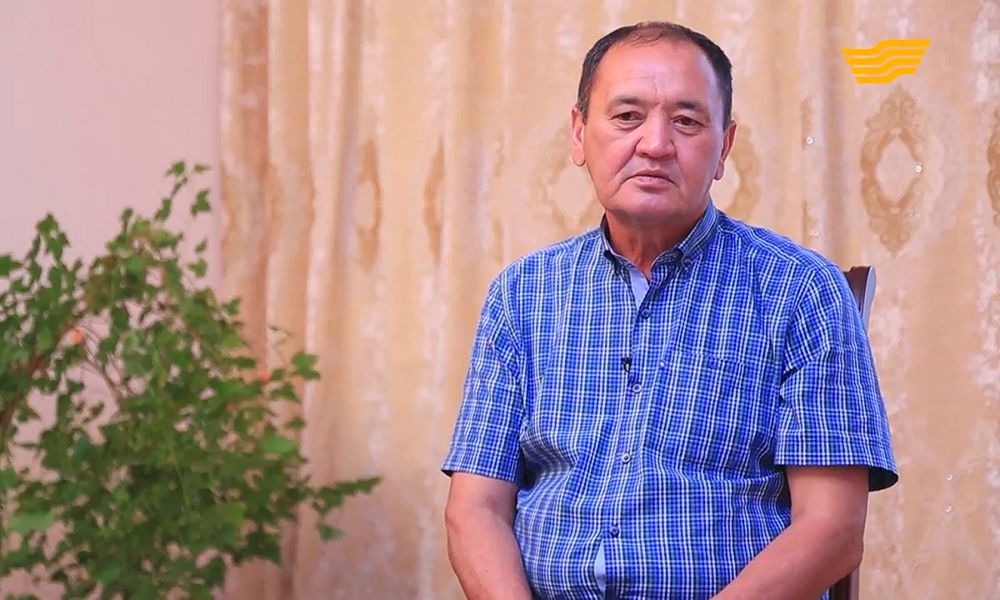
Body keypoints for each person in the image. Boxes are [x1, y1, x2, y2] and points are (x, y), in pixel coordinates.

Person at [442, 20, 897, 600]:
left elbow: (833, 530)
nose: (655, 144)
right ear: (579, 134)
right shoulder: (522, 293)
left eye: (686, 121)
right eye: (627, 116)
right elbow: (476, 508)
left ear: (723, 147)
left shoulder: (801, 289)